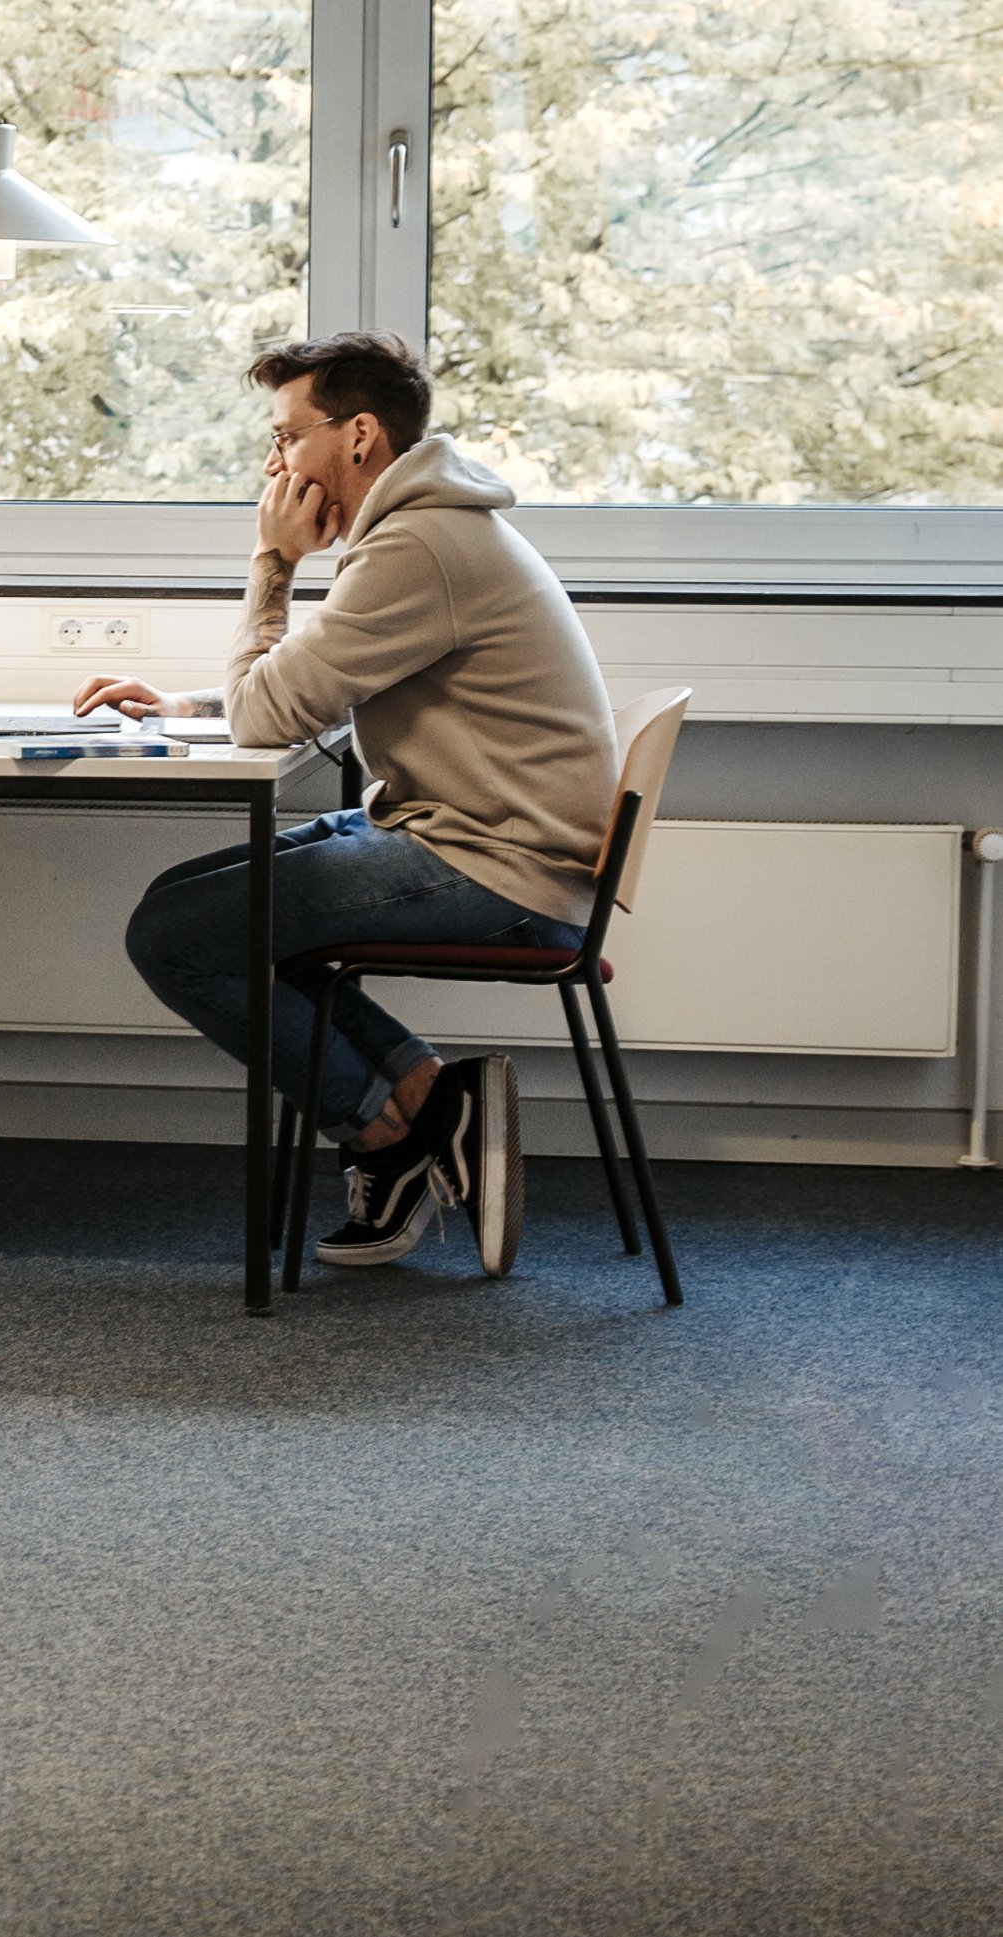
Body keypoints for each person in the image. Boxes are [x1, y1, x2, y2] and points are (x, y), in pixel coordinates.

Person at [73, 332, 617, 1276]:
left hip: (499, 864)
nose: (274, 461)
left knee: (176, 935)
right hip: (466, 833)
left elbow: (267, 716)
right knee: (192, 910)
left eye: (288, 435)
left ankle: (388, 1139)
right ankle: (431, 1098)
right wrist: (188, 706)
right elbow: (297, 696)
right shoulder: (425, 528)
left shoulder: (419, 545)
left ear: (359, 435)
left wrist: (272, 561)